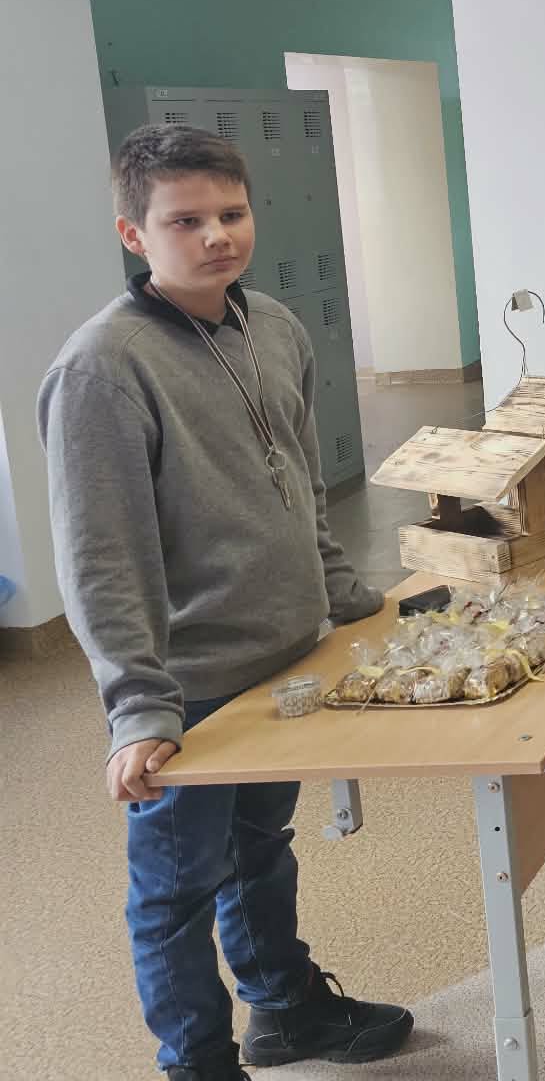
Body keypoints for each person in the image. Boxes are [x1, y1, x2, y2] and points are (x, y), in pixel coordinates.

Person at [38, 123, 413, 1081]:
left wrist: (344, 598)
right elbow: (99, 560)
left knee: (260, 850)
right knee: (176, 888)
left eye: (232, 213)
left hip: (281, 661)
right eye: (186, 221)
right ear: (134, 234)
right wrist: (138, 706)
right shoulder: (101, 367)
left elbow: (302, 483)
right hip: (188, 686)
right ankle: (197, 1062)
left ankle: (284, 1010)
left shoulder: (273, 325)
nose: (217, 236)